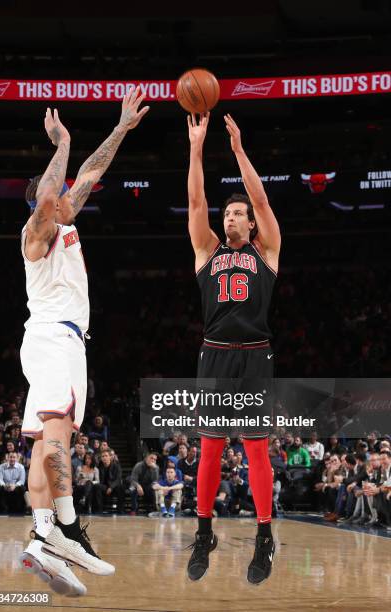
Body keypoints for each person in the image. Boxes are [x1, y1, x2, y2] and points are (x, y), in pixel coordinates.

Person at [19, 89, 149, 595]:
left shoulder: (66, 225)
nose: (70, 195)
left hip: (55, 341)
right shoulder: (36, 234)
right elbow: (55, 191)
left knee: (41, 446)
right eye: (57, 196)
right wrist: (62, 144)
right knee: (59, 435)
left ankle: (43, 536)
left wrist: (120, 129)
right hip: (56, 340)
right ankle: (68, 528)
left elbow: (91, 174)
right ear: (43, 204)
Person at [185, 112, 280, 584]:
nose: (231, 217)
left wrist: (239, 150)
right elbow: (196, 198)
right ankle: (205, 532)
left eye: (238, 213)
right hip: (216, 353)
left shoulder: (268, 250)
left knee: (258, 450)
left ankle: (265, 536)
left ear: (251, 222)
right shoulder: (208, 251)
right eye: (228, 213)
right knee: (210, 450)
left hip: (255, 353)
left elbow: (260, 196)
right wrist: (197, 148)